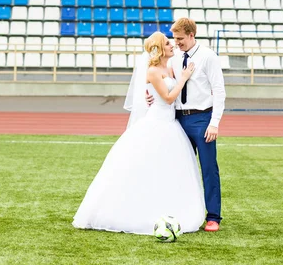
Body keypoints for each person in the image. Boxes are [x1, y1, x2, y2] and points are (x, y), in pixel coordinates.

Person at [72, 32, 206, 235]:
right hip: (157, 123)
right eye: (168, 43)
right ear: (160, 49)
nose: (172, 46)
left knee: (167, 172)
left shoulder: (169, 67)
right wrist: (184, 78)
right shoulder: (153, 71)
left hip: (171, 124)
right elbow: (169, 98)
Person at [147, 18, 226, 232]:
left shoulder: (208, 57)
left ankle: (213, 217)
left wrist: (214, 123)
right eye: (174, 39)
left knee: (209, 169)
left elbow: (219, 91)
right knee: (182, 169)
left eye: (180, 38)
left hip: (202, 119)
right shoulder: (174, 58)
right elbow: (164, 84)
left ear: (192, 35)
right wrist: (150, 96)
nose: (176, 43)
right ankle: (185, 212)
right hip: (178, 120)